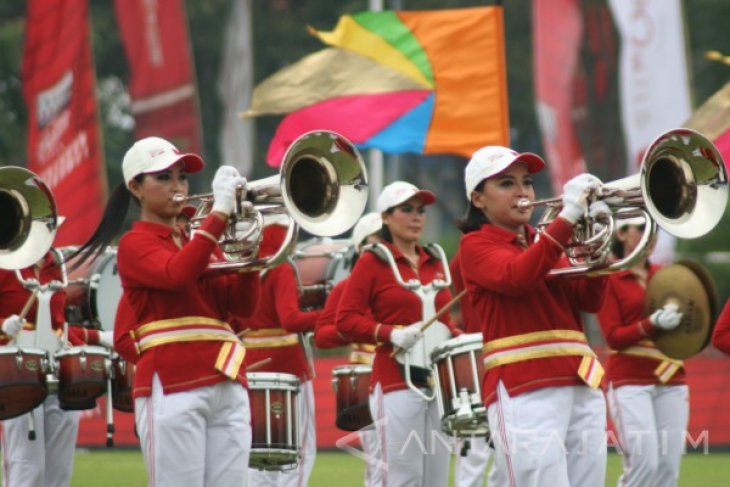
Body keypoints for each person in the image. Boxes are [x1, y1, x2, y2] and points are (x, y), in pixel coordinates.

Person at [74, 136, 260, 487]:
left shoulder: (200, 243)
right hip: (173, 382)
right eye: (163, 177)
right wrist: (219, 214)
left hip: (226, 377)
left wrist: (249, 261)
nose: (177, 186)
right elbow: (176, 276)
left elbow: (242, 311)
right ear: (136, 187)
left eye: (181, 177)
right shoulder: (134, 244)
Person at [458, 145, 611, 486]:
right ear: (478, 199)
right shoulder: (475, 245)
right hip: (524, 383)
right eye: (506, 184)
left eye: (526, 182)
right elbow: (517, 277)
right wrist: (567, 218)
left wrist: (600, 254)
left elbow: (589, 300)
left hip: (580, 379)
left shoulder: (546, 242)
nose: (523, 191)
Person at [336, 181, 461, 487]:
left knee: (436, 478)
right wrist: (390, 334)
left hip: (438, 382)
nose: (417, 216)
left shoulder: (435, 260)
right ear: (387, 217)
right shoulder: (372, 261)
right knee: (403, 477)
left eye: (421, 210)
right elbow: (345, 319)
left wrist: (455, 335)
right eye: (406, 209)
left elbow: (442, 317)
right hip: (395, 380)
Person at [0, 248, 114, 487]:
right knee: (27, 466)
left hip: (59, 370)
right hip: (17, 372)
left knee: (59, 470)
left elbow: (57, 328)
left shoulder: (56, 263)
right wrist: (3, 327)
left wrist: (98, 337)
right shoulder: (4, 263)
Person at [597, 216, 688, 487]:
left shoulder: (665, 274)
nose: (651, 235)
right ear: (622, 234)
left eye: (654, 229)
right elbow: (613, 336)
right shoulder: (610, 277)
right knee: (644, 464)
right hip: (630, 380)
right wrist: (651, 324)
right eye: (642, 228)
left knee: (668, 471)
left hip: (672, 377)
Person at [237, 220, 321, 486]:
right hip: (287, 366)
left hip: (250, 364)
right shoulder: (280, 267)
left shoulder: (243, 267)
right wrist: (327, 315)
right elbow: (291, 320)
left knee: (256, 451)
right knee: (297, 450)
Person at [314, 211, 383, 486]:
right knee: (379, 459)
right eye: (374, 241)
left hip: (409, 376)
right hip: (366, 377)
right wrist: (355, 327)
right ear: (360, 248)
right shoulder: (346, 288)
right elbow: (322, 335)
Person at [449, 245, 500, 487]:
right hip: (477, 359)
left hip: (506, 359)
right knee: (475, 455)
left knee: (508, 456)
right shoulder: (468, 253)